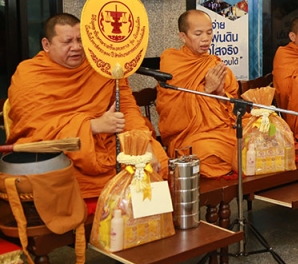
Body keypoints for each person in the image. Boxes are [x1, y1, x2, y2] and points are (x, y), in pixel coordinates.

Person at [6, 13, 167, 199]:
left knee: (156, 159)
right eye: (67, 42)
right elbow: (35, 129)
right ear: (46, 45)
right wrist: (92, 126)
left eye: (80, 40)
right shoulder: (30, 74)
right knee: (57, 177)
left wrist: (142, 145)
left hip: (109, 143)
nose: (76, 47)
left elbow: (128, 110)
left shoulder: (102, 67)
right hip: (65, 153)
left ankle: (139, 226)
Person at [157, 10, 238, 178]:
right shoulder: (172, 62)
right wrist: (207, 90)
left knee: (258, 133)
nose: (206, 39)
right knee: (205, 154)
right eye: (198, 33)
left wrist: (220, 92)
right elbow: (173, 109)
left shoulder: (214, 64)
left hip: (221, 129)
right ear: (183, 36)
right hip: (191, 134)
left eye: (209, 32)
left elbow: (233, 108)